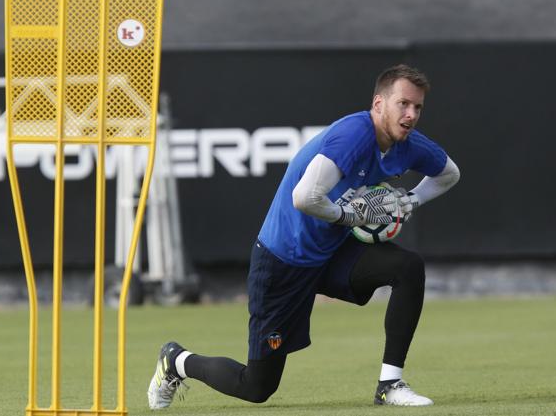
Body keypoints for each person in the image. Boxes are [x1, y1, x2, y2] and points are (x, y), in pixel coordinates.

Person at [147, 63, 460, 408]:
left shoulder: (409, 144)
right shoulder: (353, 136)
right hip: (284, 259)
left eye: (418, 107)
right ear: (378, 104)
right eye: (403, 104)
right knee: (257, 387)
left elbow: (449, 174)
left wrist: (411, 200)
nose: (411, 114)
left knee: (407, 267)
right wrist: (350, 214)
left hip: (333, 251)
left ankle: (390, 384)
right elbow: (304, 197)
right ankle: (176, 360)